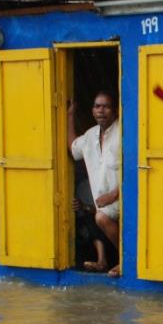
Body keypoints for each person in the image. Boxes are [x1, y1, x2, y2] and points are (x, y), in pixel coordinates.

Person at [67, 91, 121, 277]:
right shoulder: (90, 135)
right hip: (103, 203)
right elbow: (73, 147)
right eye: (97, 106)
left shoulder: (123, 132)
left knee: (101, 217)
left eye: (106, 106)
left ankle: (126, 260)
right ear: (92, 111)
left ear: (115, 110)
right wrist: (70, 115)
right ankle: (105, 261)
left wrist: (114, 194)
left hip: (122, 197)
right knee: (95, 215)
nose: (101, 110)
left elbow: (134, 169)